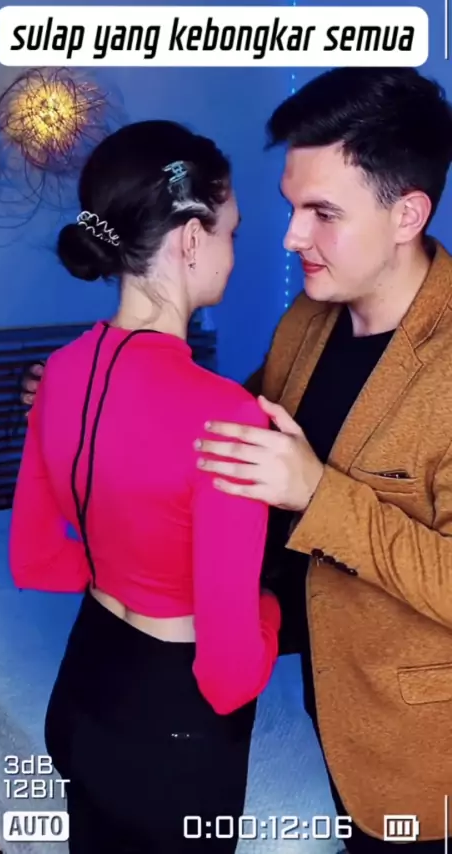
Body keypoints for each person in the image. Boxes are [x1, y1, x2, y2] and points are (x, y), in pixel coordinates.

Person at [194, 67, 452, 852]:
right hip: (332, 700)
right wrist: (107, 389)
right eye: (291, 206)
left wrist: (317, 494)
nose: (290, 238)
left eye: (323, 213)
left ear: (407, 213)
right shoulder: (310, 316)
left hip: (423, 759)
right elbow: (242, 415)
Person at [9, 120, 281, 854]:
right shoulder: (227, 416)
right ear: (191, 240)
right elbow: (228, 676)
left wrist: (127, 571)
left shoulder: (60, 371)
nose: (234, 250)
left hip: (83, 689)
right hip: (171, 739)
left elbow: (35, 559)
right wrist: (270, 609)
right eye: (230, 230)